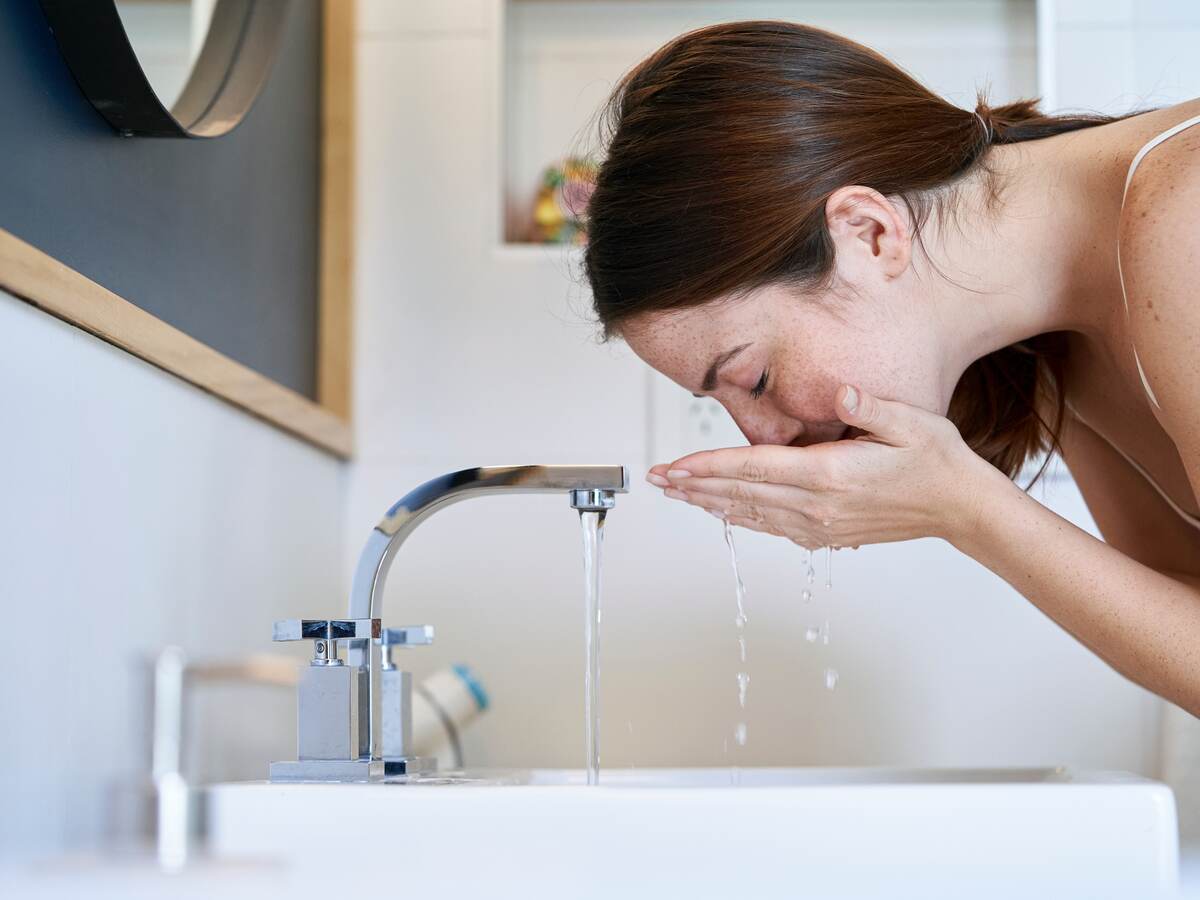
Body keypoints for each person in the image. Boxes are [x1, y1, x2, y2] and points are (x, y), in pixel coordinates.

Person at [581, 21, 1200, 716]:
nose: (763, 438)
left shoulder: (1185, 221)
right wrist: (958, 506)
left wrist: (969, 510)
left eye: (753, 378)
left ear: (869, 233)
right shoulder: (1043, 342)